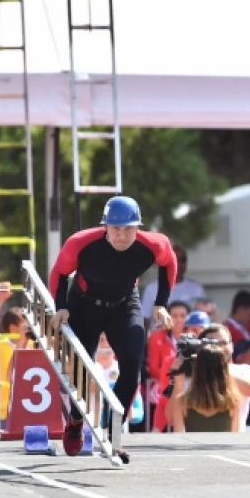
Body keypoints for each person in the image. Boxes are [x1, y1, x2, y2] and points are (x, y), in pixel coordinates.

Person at [48, 196, 177, 463]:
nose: (121, 235)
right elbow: (59, 273)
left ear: (138, 227)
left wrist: (161, 304)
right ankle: (75, 419)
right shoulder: (81, 243)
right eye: (115, 228)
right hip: (84, 304)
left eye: (128, 228)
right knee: (83, 365)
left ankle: (113, 434)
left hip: (124, 304)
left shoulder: (153, 244)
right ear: (105, 226)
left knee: (132, 362)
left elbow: (169, 263)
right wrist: (61, 306)